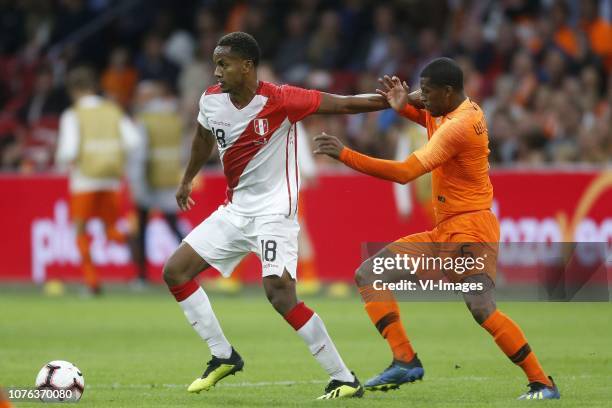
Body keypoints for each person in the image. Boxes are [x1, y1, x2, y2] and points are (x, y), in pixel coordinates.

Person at [313, 58, 560, 400]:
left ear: (448, 91)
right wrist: (403, 105)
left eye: (427, 92)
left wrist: (345, 155)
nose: (422, 97)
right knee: (370, 274)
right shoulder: (453, 111)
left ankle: (542, 383)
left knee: (481, 307)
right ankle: (404, 359)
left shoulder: (459, 125)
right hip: (446, 230)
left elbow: (404, 173)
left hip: (472, 231)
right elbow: (425, 115)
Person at [162, 32, 390, 400]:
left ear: (247, 66)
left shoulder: (282, 100)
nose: (216, 71)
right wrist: (188, 178)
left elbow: (345, 104)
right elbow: (203, 140)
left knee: (280, 294)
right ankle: (223, 355)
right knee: (175, 271)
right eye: (215, 63)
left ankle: (344, 378)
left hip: (274, 213)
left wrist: (400, 101)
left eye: (224, 63)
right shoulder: (211, 100)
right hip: (235, 212)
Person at [55, 66, 140, 295]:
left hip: (84, 179)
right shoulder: (112, 110)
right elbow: (133, 141)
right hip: (111, 178)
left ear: (74, 90)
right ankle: (138, 263)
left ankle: (92, 283)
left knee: (81, 230)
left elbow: (68, 151)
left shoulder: (73, 114)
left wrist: (62, 163)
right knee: (112, 229)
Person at [130, 80, 184, 285]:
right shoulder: (172, 117)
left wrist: (136, 182)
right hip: (169, 176)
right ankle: (193, 265)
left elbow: (139, 153)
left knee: (142, 225)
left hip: (149, 178)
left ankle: (142, 276)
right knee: (173, 224)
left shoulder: (145, 119)